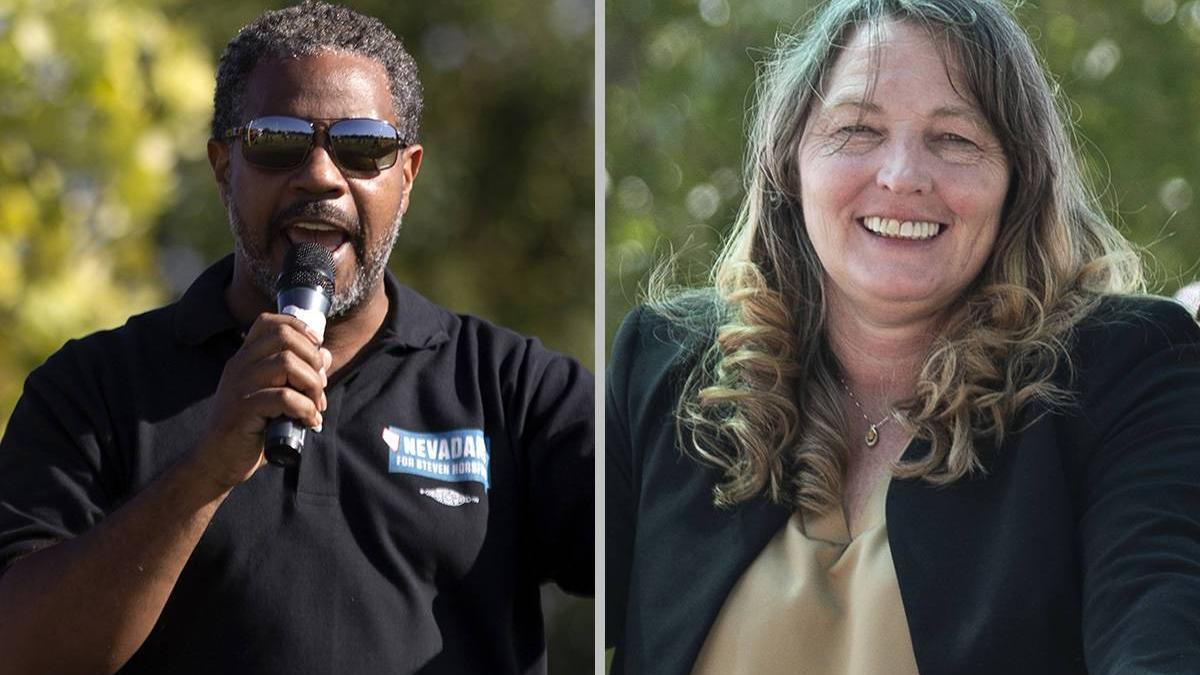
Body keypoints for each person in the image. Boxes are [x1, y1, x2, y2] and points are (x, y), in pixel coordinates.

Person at [606, 0, 1200, 673]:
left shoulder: (1128, 370)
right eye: (858, 129)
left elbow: (1161, 625)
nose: (902, 176)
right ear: (789, 165)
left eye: (955, 139)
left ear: (1018, 180)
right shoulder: (663, 366)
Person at [0, 2, 593, 673]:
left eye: (363, 147)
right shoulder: (93, 391)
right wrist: (204, 472)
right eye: (279, 142)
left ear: (407, 175)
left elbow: (668, 545)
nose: (319, 175)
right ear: (225, 168)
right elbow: (22, 651)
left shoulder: (514, 390)